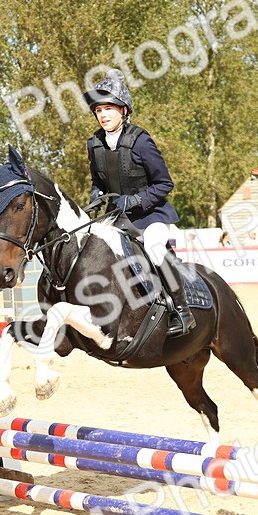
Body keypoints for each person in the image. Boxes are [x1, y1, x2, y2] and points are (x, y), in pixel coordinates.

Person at [83, 69, 195, 336]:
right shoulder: (94, 144)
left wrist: (135, 199)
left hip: (151, 216)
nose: (103, 115)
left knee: (155, 248)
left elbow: (165, 184)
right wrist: (96, 196)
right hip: (116, 217)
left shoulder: (141, 141)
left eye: (109, 109)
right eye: (98, 110)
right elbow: (99, 181)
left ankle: (182, 311)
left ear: (123, 110)